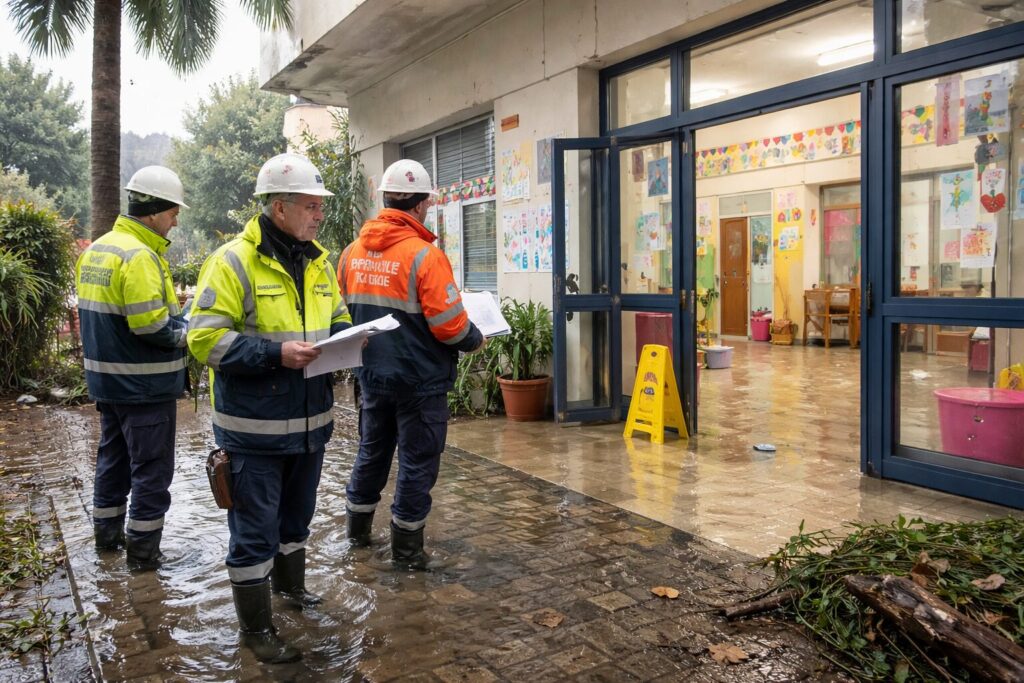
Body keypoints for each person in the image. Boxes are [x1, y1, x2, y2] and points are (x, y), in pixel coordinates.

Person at [187, 153, 351, 664]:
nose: (319, 214)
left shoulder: (320, 261)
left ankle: (290, 592)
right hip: (253, 434)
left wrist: (352, 341)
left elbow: (339, 317)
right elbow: (203, 339)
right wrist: (273, 354)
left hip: (310, 427)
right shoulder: (232, 261)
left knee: (296, 520)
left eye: (320, 206)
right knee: (254, 534)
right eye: (310, 205)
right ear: (279, 208)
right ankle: (256, 631)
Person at [337, 159, 485, 570]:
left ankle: (358, 535)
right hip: (420, 383)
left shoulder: (351, 254)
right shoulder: (425, 256)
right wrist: (475, 338)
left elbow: (341, 315)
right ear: (420, 207)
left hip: (370, 378)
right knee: (417, 462)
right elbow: (450, 325)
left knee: (371, 453)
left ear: (386, 201)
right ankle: (406, 552)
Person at [75, 166, 189, 571]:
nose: (175, 220)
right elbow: (151, 325)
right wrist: (190, 333)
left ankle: (107, 541)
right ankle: (144, 556)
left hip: (107, 385)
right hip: (144, 387)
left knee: (113, 461)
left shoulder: (99, 249)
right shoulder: (140, 255)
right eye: (173, 213)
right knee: (151, 472)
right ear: (155, 211)